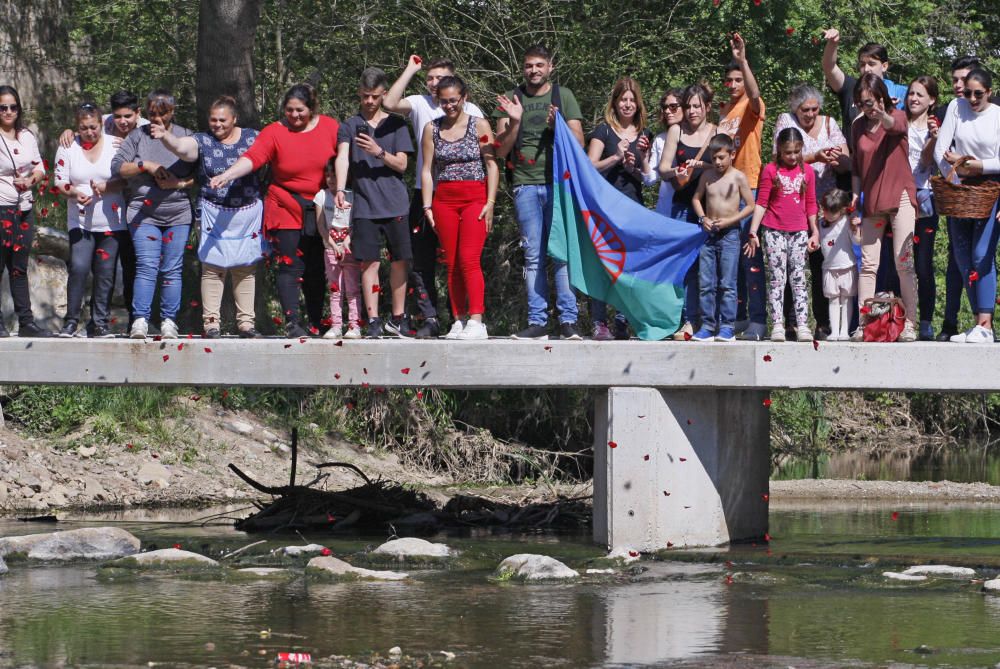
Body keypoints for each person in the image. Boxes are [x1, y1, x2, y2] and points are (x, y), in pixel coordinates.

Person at [210, 83, 339, 338]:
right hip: (285, 204)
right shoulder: (274, 131)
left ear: (312, 109)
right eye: (289, 110)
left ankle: (316, 321)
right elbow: (253, 157)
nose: (294, 116)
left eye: (300, 110)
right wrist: (228, 174)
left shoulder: (330, 127)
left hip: (321, 204)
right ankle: (293, 322)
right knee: (291, 265)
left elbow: (343, 158)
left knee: (316, 266)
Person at [383, 55, 485, 338]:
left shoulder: (471, 110)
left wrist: (487, 201)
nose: (433, 83)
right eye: (429, 78)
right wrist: (409, 70)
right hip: (426, 194)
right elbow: (389, 103)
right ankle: (431, 317)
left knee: (466, 258)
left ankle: (471, 319)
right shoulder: (418, 103)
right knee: (422, 259)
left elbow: (485, 156)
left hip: (466, 193)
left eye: (440, 78)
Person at [494, 44, 585, 340]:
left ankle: (568, 321)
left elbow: (579, 143)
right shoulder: (511, 98)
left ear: (550, 67)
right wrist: (516, 121)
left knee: (561, 253)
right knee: (533, 255)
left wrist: (556, 125)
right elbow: (500, 149)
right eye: (528, 66)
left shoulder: (564, 96)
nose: (533, 70)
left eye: (539, 65)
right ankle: (537, 321)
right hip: (524, 184)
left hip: (558, 184)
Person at [153, 95, 263, 338]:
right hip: (213, 211)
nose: (217, 125)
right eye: (213, 120)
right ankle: (211, 323)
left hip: (247, 212)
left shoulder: (254, 138)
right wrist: (166, 137)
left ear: (234, 119)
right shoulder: (202, 140)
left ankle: (246, 324)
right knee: (212, 268)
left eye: (223, 120)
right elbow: (182, 148)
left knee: (245, 267)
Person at [333, 68, 414, 339]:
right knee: (369, 263)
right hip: (365, 206)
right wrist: (342, 188)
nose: (369, 101)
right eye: (365, 96)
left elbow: (402, 164)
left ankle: (399, 318)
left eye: (375, 96)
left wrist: (378, 152)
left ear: (383, 94)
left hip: (396, 204)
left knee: (400, 260)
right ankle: (374, 320)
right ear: (359, 93)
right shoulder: (349, 125)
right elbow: (342, 157)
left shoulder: (397, 124)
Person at [111, 90, 197, 339]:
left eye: (162, 113)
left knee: (172, 268)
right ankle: (140, 319)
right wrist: (145, 165)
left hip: (178, 213)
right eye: (152, 114)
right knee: (147, 266)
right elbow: (117, 167)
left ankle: (169, 320)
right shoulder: (138, 136)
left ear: (172, 111)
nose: (156, 119)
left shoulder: (186, 136)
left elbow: (198, 175)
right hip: (143, 213)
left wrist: (177, 184)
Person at [421, 75, 499, 340]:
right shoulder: (431, 129)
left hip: (475, 197)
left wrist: (490, 203)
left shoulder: (479, 125)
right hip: (444, 200)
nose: (450, 106)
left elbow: (491, 165)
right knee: (451, 262)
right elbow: (427, 169)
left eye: (454, 100)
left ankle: (477, 320)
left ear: (464, 98)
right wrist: (427, 205)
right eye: (444, 101)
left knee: (469, 258)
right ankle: (458, 319)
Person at [772, 84, 851, 340]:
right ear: (795, 108)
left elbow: (847, 160)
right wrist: (815, 156)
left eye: (815, 109)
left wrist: (837, 157)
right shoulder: (786, 121)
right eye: (805, 110)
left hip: (823, 204)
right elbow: (780, 156)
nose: (810, 115)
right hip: (792, 202)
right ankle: (790, 321)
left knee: (821, 265)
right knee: (789, 267)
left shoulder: (829, 124)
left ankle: (822, 321)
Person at [934, 57, 1000, 341]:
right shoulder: (956, 108)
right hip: (959, 189)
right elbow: (941, 149)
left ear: (989, 91)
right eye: (968, 92)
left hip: (990, 189)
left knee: (981, 253)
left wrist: (978, 166)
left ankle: (986, 323)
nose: (971, 98)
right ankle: (977, 323)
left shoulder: (997, 115)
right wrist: (957, 175)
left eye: (978, 94)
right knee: (962, 257)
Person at [849, 74, 918, 343]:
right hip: (873, 201)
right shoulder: (857, 127)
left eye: (872, 101)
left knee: (904, 263)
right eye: (863, 103)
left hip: (900, 196)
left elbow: (894, 126)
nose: (869, 107)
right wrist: (855, 196)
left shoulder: (897, 115)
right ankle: (865, 323)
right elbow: (856, 166)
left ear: (882, 97)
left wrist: (882, 113)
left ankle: (910, 323)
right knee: (867, 265)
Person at [586, 76, 654, 340]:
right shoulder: (603, 131)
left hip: (633, 207)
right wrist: (616, 156)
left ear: (638, 105)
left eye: (631, 100)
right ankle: (599, 322)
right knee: (603, 264)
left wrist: (639, 162)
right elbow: (589, 166)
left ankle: (624, 322)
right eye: (622, 99)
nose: (627, 105)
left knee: (630, 267)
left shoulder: (645, 134)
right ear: (614, 103)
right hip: (604, 208)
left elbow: (648, 179)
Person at [54, 102, 127, 338]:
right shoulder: (68, 146)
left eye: (94, 127)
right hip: (81, 222)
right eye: (84, 128)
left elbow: (125, 180)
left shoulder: (115, 145)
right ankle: (71, 321)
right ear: (77, 127)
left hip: (111, 221)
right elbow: (59, 180)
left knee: (106, 272)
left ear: (100, 124)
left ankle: (100, 323)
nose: (90, 132)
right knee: (79, 267)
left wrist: (107, 187)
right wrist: (74, 192)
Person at [744, 127, 819, 342]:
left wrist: (814, 231)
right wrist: (753, 231)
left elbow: (811, 203)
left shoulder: (808, 172)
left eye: (797, 151)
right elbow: (762, 202)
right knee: (777, 278)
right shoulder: (770, 170)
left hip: (799, 231)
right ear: (779, 149)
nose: (793, 157)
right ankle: (777, 323)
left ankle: (802, 324)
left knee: (799, 278)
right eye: (788, 152)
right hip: (774, 230)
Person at [717, 32, 768, 341]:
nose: (734, 85)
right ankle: (738, 316)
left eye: (738, 80)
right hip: (725, 192)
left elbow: (755, 91)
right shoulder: (724, 113)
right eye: (730, 80)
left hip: (749, 188)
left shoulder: (752, 106)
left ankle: (759, 320)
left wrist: (743, 61)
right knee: (731, 260)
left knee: (751, 258)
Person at [657, 82, 717, 339]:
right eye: (688, 106)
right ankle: (687, 320)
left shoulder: (716, 131)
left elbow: (724, 164)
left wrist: (700, 164)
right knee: (685, 267)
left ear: (707, 108)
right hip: (682, 207)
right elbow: (663, 169)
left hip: (709, 207)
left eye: (697, 106)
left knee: (709, 265)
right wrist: (678, 170)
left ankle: (710, 321)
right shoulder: (675, 131)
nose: (692, 111)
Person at [689, 134, 754, 342]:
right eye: (714, 157)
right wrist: (702, 218)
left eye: (721, 157)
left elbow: (751, 205)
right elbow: (696, 198)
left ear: (732, 155)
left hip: (730, 234)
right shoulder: (707, 176)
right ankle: (708, 325)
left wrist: (731, 221)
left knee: (728, 283)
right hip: (708, 235)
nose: (717, 162)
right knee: (706, 282)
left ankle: (727, 325)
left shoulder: (738, 177)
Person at [0, 85, 50, 337]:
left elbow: (39, 167)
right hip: (1, 207)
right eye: (3, 107)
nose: (8, 112)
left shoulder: (26, 135)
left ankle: (26, 322)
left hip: (24, 208)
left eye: (13, 107)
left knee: (19, 267)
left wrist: (31, 180)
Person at [905, 76, 941, 340]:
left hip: (925, 196)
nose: (914, 99)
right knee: (899, 262)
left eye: (920, 95)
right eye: (911, 94)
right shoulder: (898, 123)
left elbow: (927, 161)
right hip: (900, 196)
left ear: (932, 100)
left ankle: (926, 321)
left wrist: (932, 138)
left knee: (923, 264)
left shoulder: (936, 128)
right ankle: (901, 319)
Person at [821, 29, 908, 138]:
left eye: (872, 64)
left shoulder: (901, 92)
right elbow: (829, 67)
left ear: (884, 66)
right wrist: (833, 43)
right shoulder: (850, 87)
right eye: (862, 64)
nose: (866, 69)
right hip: (853, 154)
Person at [315, 157, 362, 339]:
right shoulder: (321, 196)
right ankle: (335, 325)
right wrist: (332, 245)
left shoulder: (353, 195)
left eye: (335, 175)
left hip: (349, 248)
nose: (331, 179)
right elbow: (321, 226)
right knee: (335, 289)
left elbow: (355, 222)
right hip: (330, 247)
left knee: (352, 289)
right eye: (328, 175)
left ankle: (354, 325)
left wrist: (347, 241)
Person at [817, 188, 860, 341]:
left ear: (842, 210)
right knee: (833, 299)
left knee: (847, 299)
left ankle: (844, 331)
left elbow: (857, 242)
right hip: (829, 268)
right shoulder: (821, 223)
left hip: (847, 266)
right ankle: (834, 331)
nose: (827, 214)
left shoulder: (847, 222)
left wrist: (856, 229)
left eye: (831, 212)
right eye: (825, 210)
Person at [649, 88, 685, 215]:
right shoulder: (660, 139)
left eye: (673, 106)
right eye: (665, 107)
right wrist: (642, 158)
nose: (667, 111)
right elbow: (650, 179)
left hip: (690, 209)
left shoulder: (698, 137)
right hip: (666, 209)